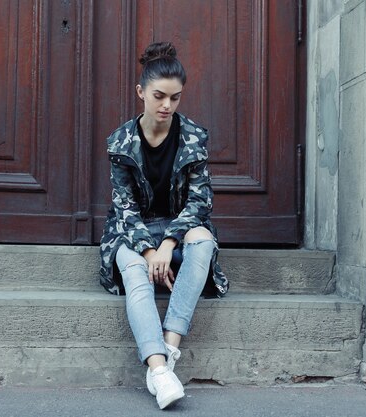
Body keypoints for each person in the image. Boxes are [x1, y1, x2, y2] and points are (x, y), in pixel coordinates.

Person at [98, 41, 229, 410]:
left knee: (202, 242)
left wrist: (170, 243)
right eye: (158, 96)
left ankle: (169, 348)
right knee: (136, 270)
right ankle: (157, 369)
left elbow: (200, 201)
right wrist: (148, 249)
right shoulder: (121, 142)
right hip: (131, 230)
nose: (166, 106)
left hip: (178, 229)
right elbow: (123, 208)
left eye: (175, 97)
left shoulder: (193, 138)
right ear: (140, 92)